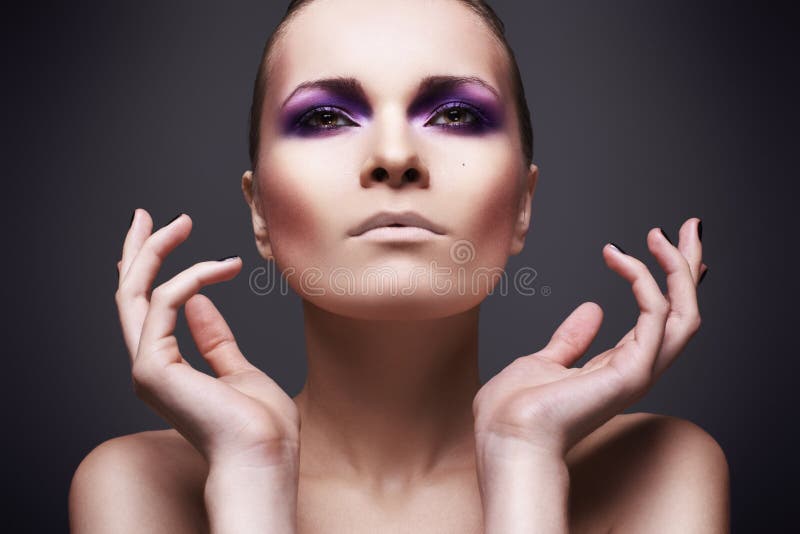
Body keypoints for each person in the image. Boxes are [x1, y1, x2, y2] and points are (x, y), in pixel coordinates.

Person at [68, 0, 728, 532]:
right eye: (325, 116)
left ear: (522, 204)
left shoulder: (658, 469)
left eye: (456, 113)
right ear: (260, 211)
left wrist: (523, 460)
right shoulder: (139, 486)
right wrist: (250, 475)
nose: (393, 155)